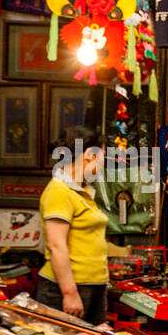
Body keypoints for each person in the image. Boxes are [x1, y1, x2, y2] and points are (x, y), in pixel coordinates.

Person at [37, 127, 110, 324]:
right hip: (67, 288)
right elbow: (56, 245)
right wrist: (69, 293)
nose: (103, 165)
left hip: (91, 286)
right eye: (102, 157)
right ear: (88, 155)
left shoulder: (81, 191)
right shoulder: (60, 191)